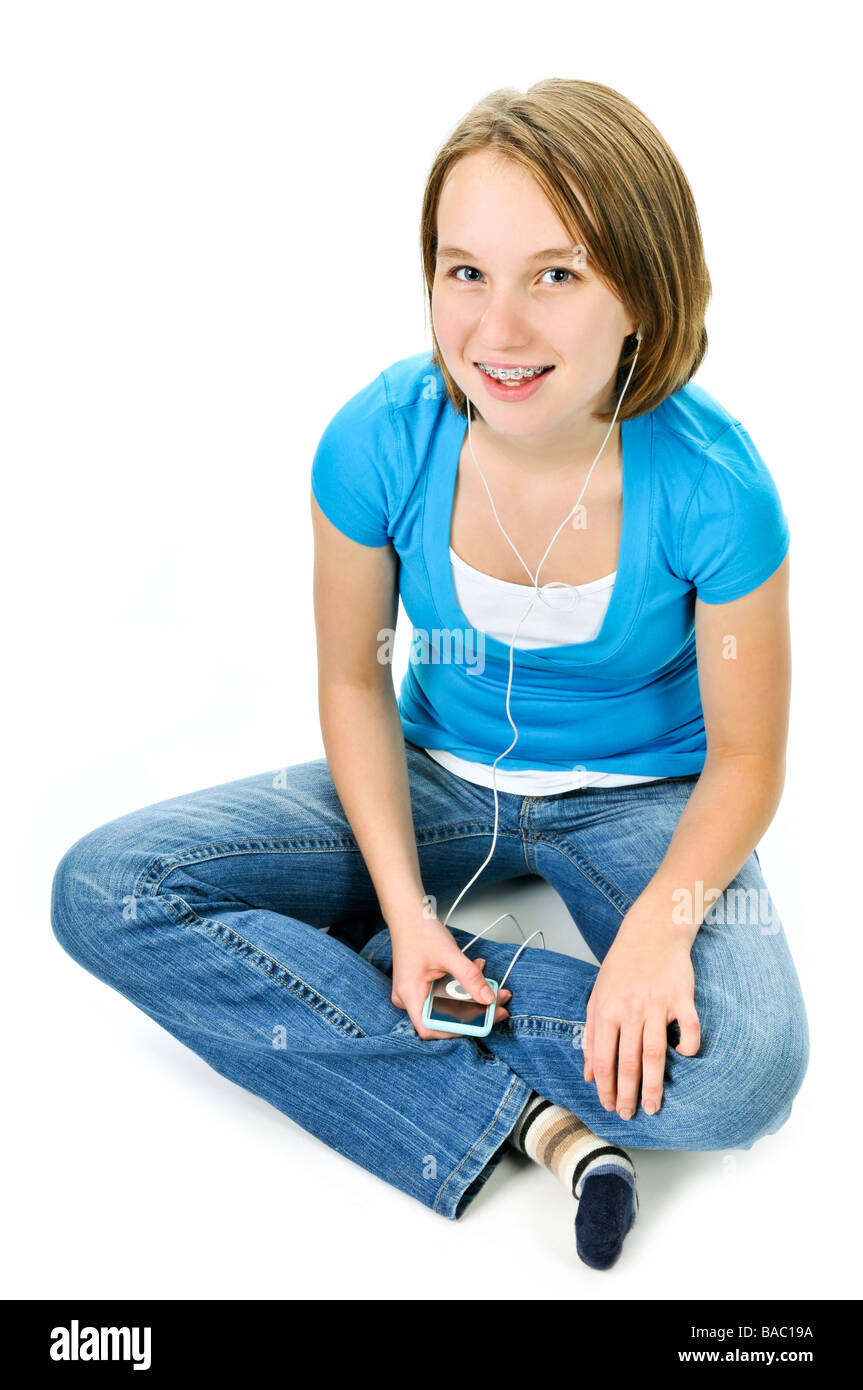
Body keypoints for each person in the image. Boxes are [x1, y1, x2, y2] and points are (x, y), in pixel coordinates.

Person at [50, 78, 809, 1273]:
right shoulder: (378, 437)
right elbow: (358, 682)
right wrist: (410, 918)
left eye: (554, 274)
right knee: (107, 887)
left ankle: (340, 969)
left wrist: (656, 936)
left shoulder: (715, 484)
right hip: (435, 778)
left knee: (743, 1077)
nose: (496, 332)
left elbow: (749, 757)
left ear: (640, 296)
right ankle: (534, 1122)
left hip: (641, 800)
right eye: (465, 272)